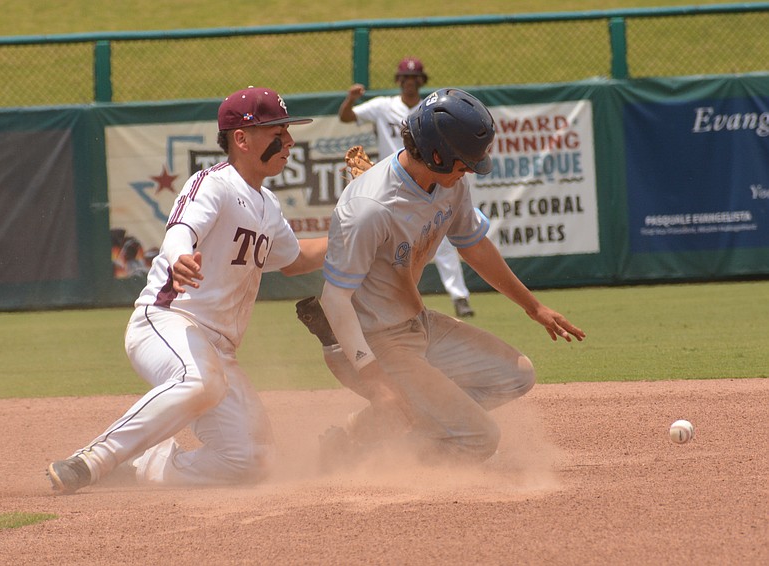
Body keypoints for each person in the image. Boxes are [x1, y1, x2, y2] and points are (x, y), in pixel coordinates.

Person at [47, 87, 326, 494]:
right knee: (201, 382)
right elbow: (182, 228)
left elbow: (296, 258)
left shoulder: (267, 205)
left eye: (286, 130)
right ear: (242, 139)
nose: (289, 141)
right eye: (276, 131)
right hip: (167, 322)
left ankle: (148, 467)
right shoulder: (214, 184)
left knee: (253, 460)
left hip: (219, 351)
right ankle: (92, 459)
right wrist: (178, 255)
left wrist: (352, 230)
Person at [300, 88, 584, 465]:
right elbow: (334, 300)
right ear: (436, 154)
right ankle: (378, 460)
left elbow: (474, 246)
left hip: (418, 325)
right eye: (464, 163)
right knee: (479, 440)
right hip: (375, 342)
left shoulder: (449, 182)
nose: (468, 171)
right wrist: (376, 381)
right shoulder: (369, 208)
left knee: (517, 376)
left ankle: (371, 431)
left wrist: (534, 307)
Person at [338, 56, 475, 318]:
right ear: (398, 82)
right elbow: (346, 117)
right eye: (404, 79)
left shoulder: (431, 110)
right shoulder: (382, 106)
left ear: (421, 81)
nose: (409, 84)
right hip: (392, 187)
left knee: (443, 239)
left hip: (430, 182)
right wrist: (350, 99)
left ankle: (459, 297)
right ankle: (375, 303)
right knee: (390, 248)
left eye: (414, 79)